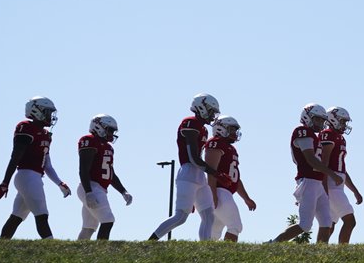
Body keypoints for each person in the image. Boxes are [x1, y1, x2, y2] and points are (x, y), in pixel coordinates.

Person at [0, 96, 71, 239]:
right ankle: (52, 250)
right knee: (42, 215)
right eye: (47, 112)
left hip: (33, 178)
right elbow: (15, 157)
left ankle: (0, 245)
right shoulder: (26, 127)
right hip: (26, 176)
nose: (50, 117)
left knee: (17, 217)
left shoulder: (46, 135)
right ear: (36, 111)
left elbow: (46, 164)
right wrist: (5, 182)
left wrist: (59, 183)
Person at [149, 94, 222, 241]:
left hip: (198, 174)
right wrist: (215, 173)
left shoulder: (203, 128)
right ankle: (150, 241)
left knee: (209, 215)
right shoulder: (190, 122)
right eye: (211, 111)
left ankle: (205, 248)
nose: (213, 115)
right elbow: (193, 158)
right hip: (189, 172)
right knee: (181, 216)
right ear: (201, 108)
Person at [269, 103, 343, 243]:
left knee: (327, 221)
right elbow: (311, 159)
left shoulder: (313, 136)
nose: (320, 123)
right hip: (308, 180)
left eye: (322, 120)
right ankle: (274, 243)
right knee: (305, 225)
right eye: (317, 119)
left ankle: (321, 252)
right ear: (307, 117)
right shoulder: (302, 131)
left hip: (317, 181)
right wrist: (332, 174)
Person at [75, 114, 133, 241]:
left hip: (99, 189)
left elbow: (110, 173)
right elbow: (83, 169)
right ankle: (101, 253)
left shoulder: (108, 147)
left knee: (89, 227)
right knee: (108, 220)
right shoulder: (89, 140)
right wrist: (88, 191)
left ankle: (76, 255)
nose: (112, 134)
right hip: (91, 186)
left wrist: (123, 191)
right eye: (110, 130)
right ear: (99, 127)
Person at [317, 106, 364, 244]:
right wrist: (324, 188)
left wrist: (355, 191)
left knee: (329, 225)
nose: (344, 125)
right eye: (342, 121)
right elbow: (324, 164)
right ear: (333, 119)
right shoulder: (328, 135)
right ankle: (342, 252)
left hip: (337, 185)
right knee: (350, 221)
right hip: (331, 185)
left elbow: (341, 169)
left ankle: (318, 252)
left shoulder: (339, 138)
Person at [204, 116, 256, 241]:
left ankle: (208, 258)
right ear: (221, 128)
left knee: (214, 232)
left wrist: (246, 198)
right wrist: (213, 194)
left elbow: (235, 178)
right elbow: (211, 172)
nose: (234, 133)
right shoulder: (215, 143)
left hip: (225, 192)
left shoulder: (230, 148)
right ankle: (227, 257)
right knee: (235, 226)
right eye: (231, 129)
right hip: (219, 190)